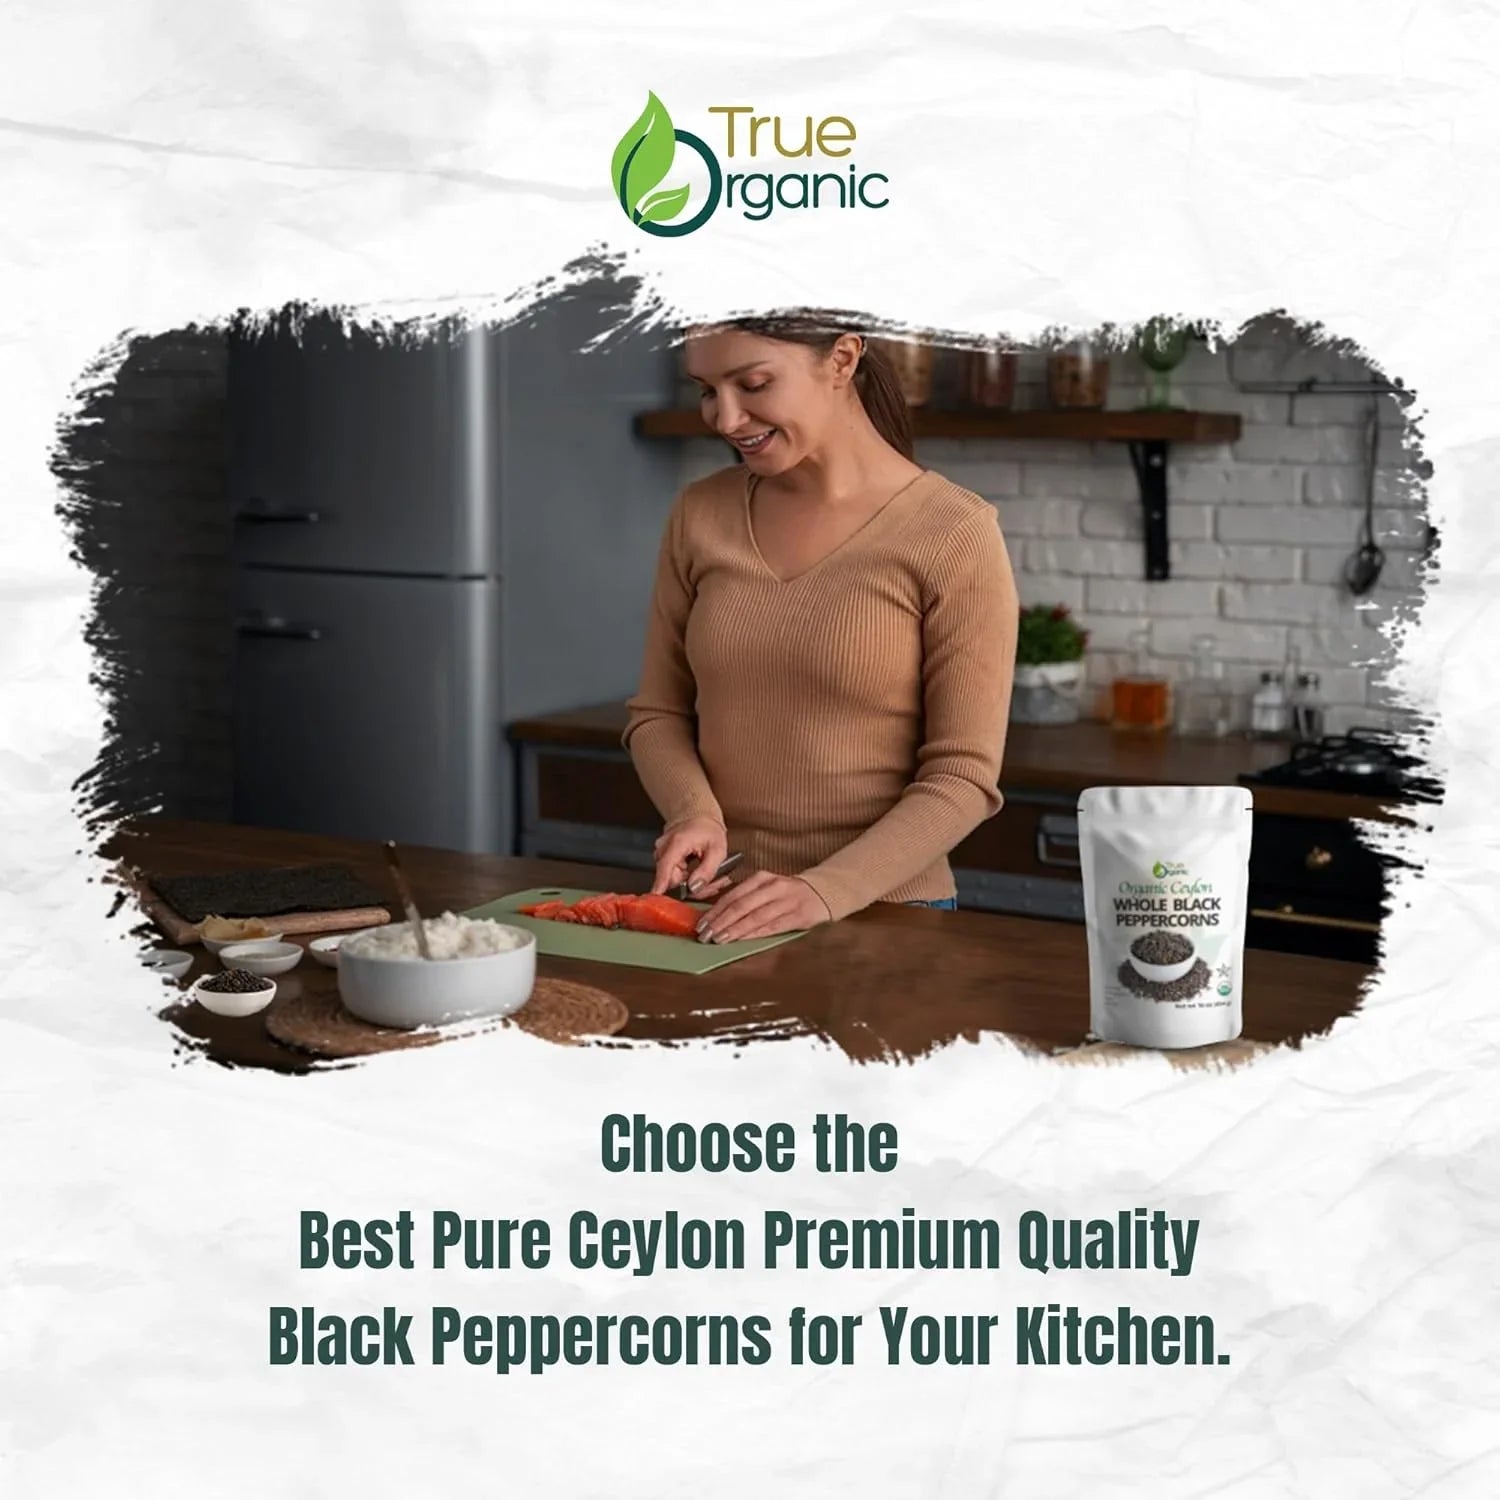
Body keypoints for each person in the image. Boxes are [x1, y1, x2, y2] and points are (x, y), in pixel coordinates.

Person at [623, 313, 1019, 944]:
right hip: (716, 912)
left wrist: (821, 891)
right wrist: (692, 812)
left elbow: (962, 778)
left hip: (887, 918)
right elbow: (658, 713)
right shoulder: (700, 512)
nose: (725, 420)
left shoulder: (953, 531)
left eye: (752, 385)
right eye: (705, 391)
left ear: (841, 360)